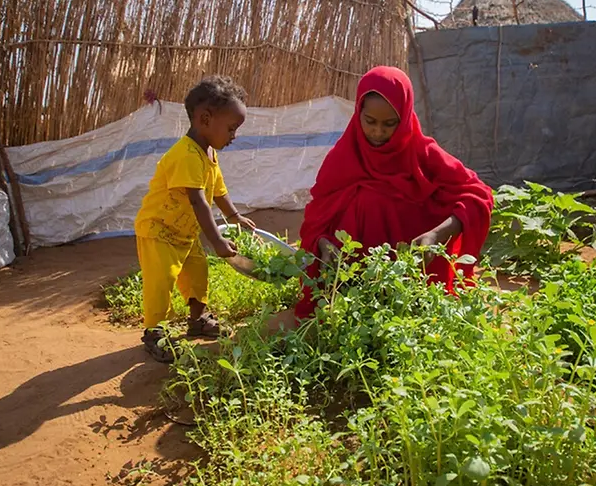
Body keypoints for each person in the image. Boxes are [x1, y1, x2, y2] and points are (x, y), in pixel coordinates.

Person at [295, 65, 493, 319]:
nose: (378, 132)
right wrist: (323, 244)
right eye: (370, 122)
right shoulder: (342, 159)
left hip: (411, 289)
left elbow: (479, 195)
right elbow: (316, 218)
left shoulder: (423, 155)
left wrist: (437, 233)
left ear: (406, 116)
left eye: (390, 124)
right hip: (348, 290)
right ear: (358, 114)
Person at [135, 75, 256, 362]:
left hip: (183, 234)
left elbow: (218, 191)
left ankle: (197, 319)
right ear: (205, 119)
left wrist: (234, 216)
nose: (234, 136)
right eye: (231, 128)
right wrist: (216, 240)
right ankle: (155, 332)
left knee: (197, 274)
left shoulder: (208, 153)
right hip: (158, 231)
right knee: (161, 282)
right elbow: (198, 200)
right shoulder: (186, 155)